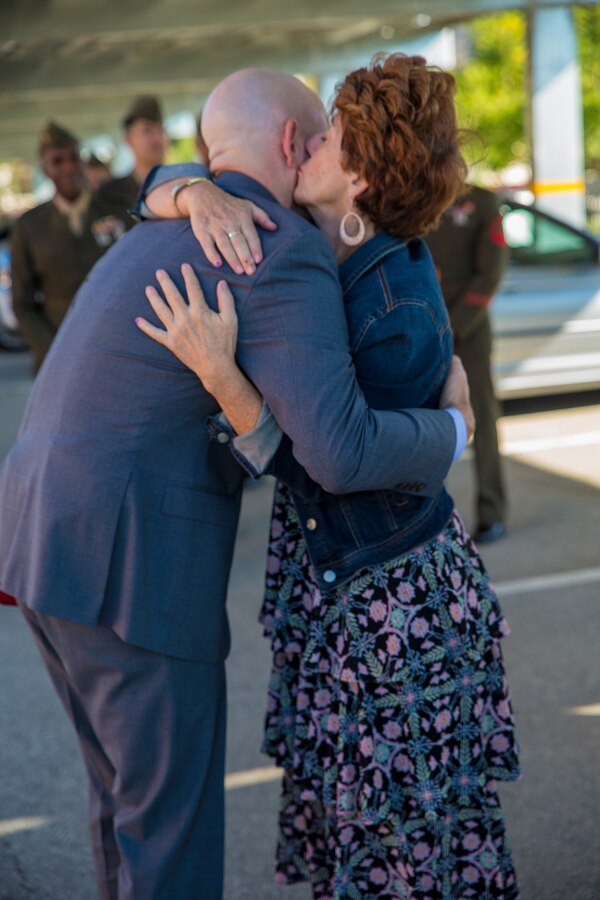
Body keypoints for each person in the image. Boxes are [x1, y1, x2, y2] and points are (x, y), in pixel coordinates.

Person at [0, 67, 472, 900]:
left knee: (121, 806)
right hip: (130, 574)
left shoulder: (163, 229)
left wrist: (184, 196)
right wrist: (456, 432)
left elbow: (323, 448)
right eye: (318, 131)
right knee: (167, 832)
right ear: (294, 146)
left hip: (42, 545)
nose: (322, 141)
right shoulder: (277, 247)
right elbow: (339, 454)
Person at [141, 55, 520, 898]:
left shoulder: (399, 309)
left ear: (362, 171)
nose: (305, 142)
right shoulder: (331, 248)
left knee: (402, 849)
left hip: (392, 612)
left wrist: (223, 376)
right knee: (356, 833)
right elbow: (172, 175)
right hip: (342, 592)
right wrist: (197, 192)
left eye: (328, 136)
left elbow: (328, 467)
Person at [10, 122, 132, 373]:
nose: (69, 167)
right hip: (59, 360)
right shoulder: (29, 227)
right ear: (44, 168)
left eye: (74, 158)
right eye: (57, 161)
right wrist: (53, 350)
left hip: (121, 348)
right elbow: (22, 303)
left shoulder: (118, 209)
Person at [426, 185, 509, 543]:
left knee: (483, 425)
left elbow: (489, 273)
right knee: (422, 429)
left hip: (467, 334)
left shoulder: (482, 202)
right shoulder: (413, 196)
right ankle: (428, 520)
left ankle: (491, 512)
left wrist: (453, 327)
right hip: (422, 331)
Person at [97, 96, 169, 211]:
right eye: (147, 130)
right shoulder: (110, 194)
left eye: (160, 130)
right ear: (128, 139)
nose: (156, 138)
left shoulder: (181, 185)